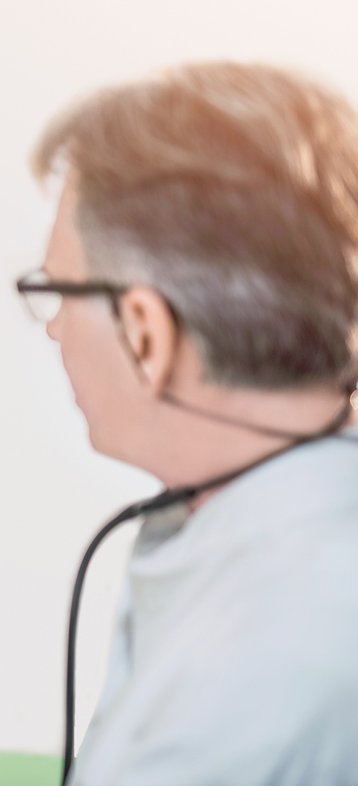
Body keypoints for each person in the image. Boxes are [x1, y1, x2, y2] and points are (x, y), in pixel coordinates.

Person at [19, 62, 358, 784]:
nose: (53, 332)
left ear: (145, 333)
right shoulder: (230, 521)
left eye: (58, 293)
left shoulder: (257, 687)